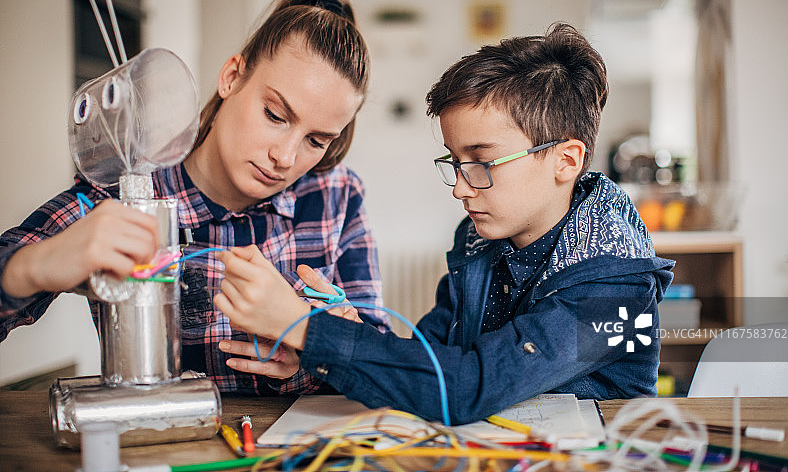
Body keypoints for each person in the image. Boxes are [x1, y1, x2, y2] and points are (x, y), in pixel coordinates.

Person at [214, 23, 675, 424]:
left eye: (482, 161)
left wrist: (305, 328)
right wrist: (338, 334)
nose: (460, 187)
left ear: (565, 160)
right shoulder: (479, 241)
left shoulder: (617, 292)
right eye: (455, 162)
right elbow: (427, 362)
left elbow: (466, 385)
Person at [0, 0, 389, 395]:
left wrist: (313, 348)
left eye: (317, 140)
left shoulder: (335, 195)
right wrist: (32, 267)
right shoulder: (127, 194)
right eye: (275, 115)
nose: (286, 157)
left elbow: (383, 358)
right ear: (232, 77)